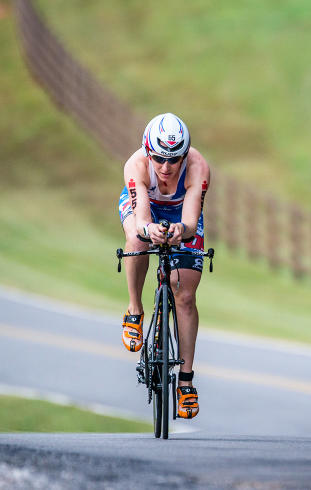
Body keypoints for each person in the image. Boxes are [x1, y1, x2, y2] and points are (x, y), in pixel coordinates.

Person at [117, 112, 210, 419]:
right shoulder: (137, 165)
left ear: (185, 155)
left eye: (174, 159)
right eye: (159, 159)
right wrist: (149, 230)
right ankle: (134, 310)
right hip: (147, 207)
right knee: (137, 240)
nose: (166, 168)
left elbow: (190, 223)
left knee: (184, 296)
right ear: (148, 151)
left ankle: (185, 384)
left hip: (181, 214)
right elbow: (142, 218)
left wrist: (178, 232)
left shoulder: (198, 167)